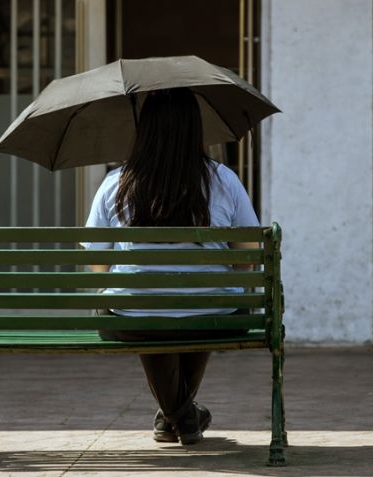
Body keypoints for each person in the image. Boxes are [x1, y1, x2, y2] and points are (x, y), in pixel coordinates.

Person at [82, 87, 260, 445]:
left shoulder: (116, 183)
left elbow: (96, 259)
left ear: (144, 129)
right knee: (204, 303)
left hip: (136, 318)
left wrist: (119, 287)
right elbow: (249, 253)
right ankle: (182, 416)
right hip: (214, 314)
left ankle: (176, 417)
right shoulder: (223, 180)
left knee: (143, 308)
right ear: (196, 128)